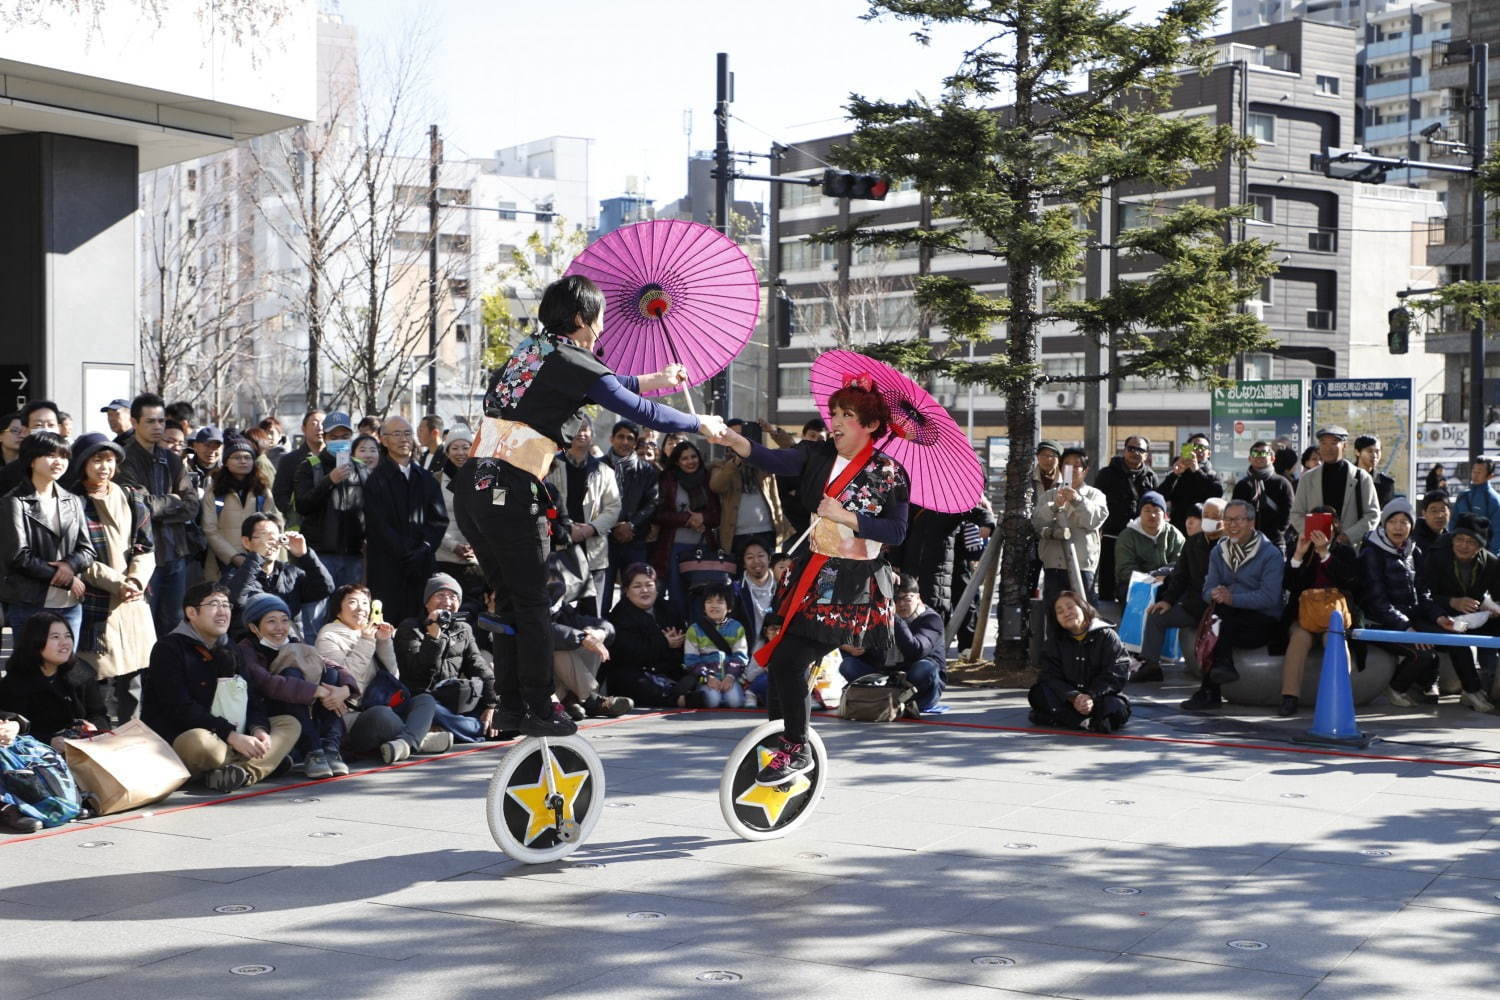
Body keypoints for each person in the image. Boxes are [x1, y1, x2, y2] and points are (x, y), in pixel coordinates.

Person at [452, 275, 724, 737]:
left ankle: (514, 705)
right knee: (534, 604)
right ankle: (539, 705)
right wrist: (699, 421)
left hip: (474, 490)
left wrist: (652, 379)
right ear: (582, 319)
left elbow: (596, 383)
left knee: (510, 605)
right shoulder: (571, 359)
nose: (600, 328)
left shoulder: (531, 351)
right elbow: (643, 413)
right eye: (597, 319)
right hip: (510, 492)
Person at [709, 374, 909, 785]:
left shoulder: (890, 472)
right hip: (810, 574)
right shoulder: (814, 454)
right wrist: (733, 440)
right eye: (833, 413)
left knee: (789, 661)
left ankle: (795, 747)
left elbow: (897, 532)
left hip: (852, 585)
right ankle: (780, 744)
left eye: (846, 415)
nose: (834, 421)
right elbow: (771, 459)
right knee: (784, 663)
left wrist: (847, 517)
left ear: (870, 425)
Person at [141, 582, 300, 792]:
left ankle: (240, 774)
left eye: (226, 605)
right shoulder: (169, 648)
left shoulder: (232, 647)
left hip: (235, 732)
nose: (223, 611)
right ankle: (262, 764)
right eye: (214, 604)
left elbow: (250, 697)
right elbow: (179, 708)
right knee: (200, 743)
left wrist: (258, 728)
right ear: (192, 612)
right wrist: (231, 736)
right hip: (191, 735)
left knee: (289, 724)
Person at [66, 433, 155, 725]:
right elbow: (77, 557)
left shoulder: (131, 495)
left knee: (133, 681)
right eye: (96, 459)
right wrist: (119, 583)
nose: (104, 467)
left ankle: (133, 737)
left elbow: (146, 546)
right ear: (82, 464)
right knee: (91, 680)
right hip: (95, 600)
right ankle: (97, 738)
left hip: (132, 600)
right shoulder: (72, 501)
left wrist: (136, 581)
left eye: (109, 459)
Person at [316, 583, 443, 764]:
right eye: (353, 602)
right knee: (382, 715)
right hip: (356, 717)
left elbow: (393, 678)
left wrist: (384, 643)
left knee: (425, 700)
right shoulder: (329, 635)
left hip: (386, 703)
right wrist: (367, 641)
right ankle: (419, 739)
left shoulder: (368, 631)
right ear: (338, 610)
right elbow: (344, 679)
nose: (361, 608)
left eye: (365, 603)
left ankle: (406, 742)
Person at [237, 593, 360, 779]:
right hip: (271, 713)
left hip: (305, 707)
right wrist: (316, 691)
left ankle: (330, 748)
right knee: (291, 675)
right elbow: (268, 684)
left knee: (332, 675)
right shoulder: (246, 650)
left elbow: (330, 664)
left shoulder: (294, 643)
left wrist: (345, 690)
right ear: (254, 627)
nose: (280, 628)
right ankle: (313, 751)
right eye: (271, 621)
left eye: (284, 621)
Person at [1178, 499, 1284, 711]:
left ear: (1251, 523)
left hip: (1262, 621)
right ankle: (1221, 668)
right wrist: (1216, 594)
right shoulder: (1219, 551)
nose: (1232, 525)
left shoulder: (1270, 554)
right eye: (1227, 520)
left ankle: (1209, 690)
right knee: (1221, 614)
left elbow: (1270, 598)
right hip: (1229, 617)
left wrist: (1232, 597)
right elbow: (1207, 590)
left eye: (1238, 520)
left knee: (1221, 619)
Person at [116, 393, 200, 634]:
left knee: (173, 624)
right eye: (150, 421)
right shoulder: (123, 458)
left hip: (176, 551)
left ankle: (167, 672)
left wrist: (159, 506)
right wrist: (173, 500)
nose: (157, 427)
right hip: (141, 555)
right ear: (134, 422)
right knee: (143, 625)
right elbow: (136, 506)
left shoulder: (173, 460)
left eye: (161, 421)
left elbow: (191, 506)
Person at [0, 431, 94, 643]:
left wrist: (70, 565)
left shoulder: (73, 500)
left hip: (70, 604)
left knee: (65, 668)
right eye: (51, 456)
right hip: (30, 603)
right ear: (31, 460)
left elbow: (87, 549)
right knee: (31, 670)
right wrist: (64, 578)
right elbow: (18, 556)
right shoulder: (14, 502)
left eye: (63, 456)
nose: (59, 462)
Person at [363, 415, 449, 626]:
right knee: (388, 625)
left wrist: (425, 547)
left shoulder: (425, 478)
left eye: (408, 433)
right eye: (397, 434)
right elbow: (377, 524)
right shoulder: (375, 479)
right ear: (384, 440)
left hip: (422, 564)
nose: (404, 439)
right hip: (387, 566)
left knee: (422, 623)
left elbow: (438, 520)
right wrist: (405, 550)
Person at [1358, 498, 1443, 708]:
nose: (1398, 527)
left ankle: (1429, 684)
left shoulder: (1414, 552)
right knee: (1423, 653)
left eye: (1404, 522)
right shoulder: (1370, 552)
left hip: (1408, 618)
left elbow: (1423, 593)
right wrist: (1406, 627)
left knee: (1445, 637)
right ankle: (1396, 688)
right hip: (1377, 622)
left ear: (1412, 526)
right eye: (1393, 521)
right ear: (1384, 524)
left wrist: (1439, 616)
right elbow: (1377, 601)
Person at [1277, 506, 1361, 717]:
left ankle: (1340, 694)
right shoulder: (1299, 548)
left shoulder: (1345, 551)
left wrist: (1325, 553)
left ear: (1335, 525)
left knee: (1333, 641)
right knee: (1299, 638)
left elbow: (1350, 580)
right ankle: (1289, 697)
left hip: (1334, 616)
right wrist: (1298, 554)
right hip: (1303, 616)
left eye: (1326, 522)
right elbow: (1289, 584)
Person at [1135, 497, 1227, 682]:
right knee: (1157, 616)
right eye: (1206, 515)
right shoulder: (1192, 542)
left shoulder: (1231, 544)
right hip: (1193, 605)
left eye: (1215, 516)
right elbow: (1180, 576)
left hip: (1222, 608)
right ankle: (1151, 665)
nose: (1209, 519)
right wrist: (1168, 601)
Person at [394, 574, 497, 737]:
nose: (447, 602)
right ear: (427, 602)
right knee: (430, 709)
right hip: (422, 700)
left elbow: (479, 667)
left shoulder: (462, 629)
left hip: (454, 700)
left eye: (453, 596)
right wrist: (434, 637)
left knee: (503, 716)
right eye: (440, 595)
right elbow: (418, 673)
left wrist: (492, 705)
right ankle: (475, 729)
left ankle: (446, 731)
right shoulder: (410, 627)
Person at [545, 416, 622, 616]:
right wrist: (567, 528)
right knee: (556, 609)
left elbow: (613, 508)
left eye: (586, 428)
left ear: (592, 435)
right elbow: (547, 504)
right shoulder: (551, 466)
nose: (581, 433)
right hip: (559, 545)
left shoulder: (604, 470)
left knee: (593, 611)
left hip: (594, 548)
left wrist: (591, 528)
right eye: (576, 428)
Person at [1421, 514, 1499, 712]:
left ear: (1481, 546)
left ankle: (1489, 683)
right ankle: (1472, 689)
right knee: (1455, 635)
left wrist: (1491, 606)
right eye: (1459, 539)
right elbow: (1422, 595)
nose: (1463, 546)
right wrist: (1451, 602)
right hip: (1437, 615)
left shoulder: (1492, 563)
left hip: (1473, 617)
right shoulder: (1436, 556)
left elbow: (1497, 597)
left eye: (1471, 542)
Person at [839, 573, 946, 714]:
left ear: (918, 598)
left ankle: (904, 703)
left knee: (924, 668)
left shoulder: (931, 619)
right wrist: (849, 647)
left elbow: (916, 650)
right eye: (896, 599)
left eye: (907, 599)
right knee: (848, 665)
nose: (901, 604)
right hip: (887, 678)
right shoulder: (878, 615)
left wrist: (893, 618)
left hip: (917, 684)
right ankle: (888, 700)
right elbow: (865, 651)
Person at [0, 612, 109, 747]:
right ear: (36, 641)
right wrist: (49, 741)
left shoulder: (80, 672)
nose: (64, 643)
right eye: (55, 637)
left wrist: (94, 727)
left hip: (82, 749)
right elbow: (15, 731)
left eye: (67, 636)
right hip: (36, 758)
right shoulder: (15, 683)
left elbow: (99, 714)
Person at [1027, 591, 1131, 732]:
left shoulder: (1107, 636)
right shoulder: (1054, 642)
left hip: (1099, 697)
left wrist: (1091, 695)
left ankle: (1065, 719)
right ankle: (1086, 723)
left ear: (1083, 607)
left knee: (1116, 707)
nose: (1067, 613)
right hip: (1068, 700)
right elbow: (1049, 676)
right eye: (1060, 611)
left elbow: (1117, 672)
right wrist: (1074, 696)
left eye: (1070, 607)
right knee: (1038, 694)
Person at [221, 513, 334, 636]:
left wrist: (305, 555)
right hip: (250, 647)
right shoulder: (233, 575)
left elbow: (325, 588)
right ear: (246, 542)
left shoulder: (291, 574)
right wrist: (258, 558)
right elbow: (234, 600)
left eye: (274, 536)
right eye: (263, 536)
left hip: (290, 644)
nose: (270, 542)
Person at [293, 410, 368, 593]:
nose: (340, 440)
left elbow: (371, 508)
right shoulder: (309, 466)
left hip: (352, 553)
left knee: (349, 607)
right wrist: (329, 480)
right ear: (325, 438)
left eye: (345, 436)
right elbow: (302, 505)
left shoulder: (361, 468)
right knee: (318, 607)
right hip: (320, 553)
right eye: (334, 436)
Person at [544, 568, 632, 720]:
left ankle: (574, 699)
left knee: (594, 636)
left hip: (563, 683)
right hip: (542, 684)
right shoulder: (527, 611)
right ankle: (592, 700)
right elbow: (547, 632)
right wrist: (583, 638)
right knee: (560, 648)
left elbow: (605, 626)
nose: (553, 595)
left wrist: (599, 633)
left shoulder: (563, 611)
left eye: (557, 590)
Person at [1032, 447, 1109, 612]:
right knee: (1054, 616)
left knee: (1084, 614)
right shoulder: (1050, 495)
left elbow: (1093, 520)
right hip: (1053, 565)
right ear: (1060, 468)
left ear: (1085, 470)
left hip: (1082, 566)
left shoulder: (1095, 495)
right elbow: (1037, 523)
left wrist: (1077, 500)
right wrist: (1054, 506)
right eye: (1067, 464)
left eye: (1077, 466)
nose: (1072, 469)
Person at [651, 440, 721, 617]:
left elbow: (718, 514)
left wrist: (702, 518)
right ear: (676, 461)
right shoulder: (668, 479)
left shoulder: (708, 478)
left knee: (702, 596)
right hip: (674, 548)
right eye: (685, 458)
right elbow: (658, 514)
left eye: (693, 457)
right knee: (677, 597)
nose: (690, 461)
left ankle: (700, 635)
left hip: (704, 547)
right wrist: (687, 519)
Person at [605, 564, 688, 708]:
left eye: (649, 585)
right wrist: (664, 643)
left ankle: (679, 693)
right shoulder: (619, 616)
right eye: (637, 586)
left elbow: (681, 644)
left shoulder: (668, 609)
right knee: (631, 681)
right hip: (635, 672)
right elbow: (631, 652)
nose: (644, 590)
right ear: (626, 591)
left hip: (666, 670)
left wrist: (677, 643)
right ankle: (678, 699)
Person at [200, 436, 280, 582]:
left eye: (247, 457)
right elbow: (210, 529)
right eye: (236, 457)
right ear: (226, 462)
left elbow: (273, 524)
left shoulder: (262, 491)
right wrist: (234, 557)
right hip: (221, 564)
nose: (243, 461)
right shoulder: (215, 491)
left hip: (257, 562)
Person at [601, 420, 659, 613]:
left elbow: (653, 502)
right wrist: (612, 526)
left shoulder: (647, 470)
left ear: (636, 443)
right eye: (620, 437)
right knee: (603, 592)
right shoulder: (598, 467)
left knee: (637, 589)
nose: (624, 442)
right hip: (604, 539)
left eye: (630, 438)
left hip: (635, 539)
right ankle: (602, 631)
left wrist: (631, 525)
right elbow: (592, 502)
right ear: (611, 439)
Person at [1289, 426, 1379, 546]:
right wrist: (1315, 534)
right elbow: (1296, 514)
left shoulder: (1361, 477)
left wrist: (1348, 536)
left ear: (1344, 446)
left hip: (1350, 550)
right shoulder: (1308, 478)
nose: (1328, 448)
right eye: (1323, 443)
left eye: (1333, 443)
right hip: (1315, 550)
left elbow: (1372, 514)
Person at [1093, 435, 1157, 602]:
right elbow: (1096, 504)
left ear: (1146, 454)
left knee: (1136, 580)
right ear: (1124, 450)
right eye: (1131, 448)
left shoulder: (1151, 476)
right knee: (1107, 580)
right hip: (1111, 536)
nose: (1135, 453)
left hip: (1140, 537)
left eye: (1140, 450)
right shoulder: (1106, 474)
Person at [711, 420, 786, 558]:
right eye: (733, 435)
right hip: (736, 535)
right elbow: (716, 486)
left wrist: (772, 430)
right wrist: (737, 460)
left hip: (768, 532)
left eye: (742, 435)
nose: (738, 439)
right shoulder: (721, 465)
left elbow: (791, 449)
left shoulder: (763, 459)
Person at [431, 428, 485, 603]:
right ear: (446, 452)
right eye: (454, 448)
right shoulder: (435, 480)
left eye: (465, 447)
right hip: (444, 557)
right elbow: (431, 520)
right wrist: (453, 546)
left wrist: (475, 546)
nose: (460, 453)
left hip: (476, 559)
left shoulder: (484, 480)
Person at [683, 582, 751, 708]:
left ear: (729, 607)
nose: (714, 606)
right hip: (706, 679)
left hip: (730, 678)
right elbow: (691, 660)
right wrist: (708, 677)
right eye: (709, 602)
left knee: (735, 701)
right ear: (703, 606)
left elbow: (740, 657)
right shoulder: (694, 630)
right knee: (712, 700)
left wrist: (730, 677)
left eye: (719, 602)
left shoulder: (737, 628)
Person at [1112, 491, 1184, 600]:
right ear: (1140, 512)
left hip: (1165, 581)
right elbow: (1124, 569)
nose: (1152, 515)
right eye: (1147, 510)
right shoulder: (1127, 536)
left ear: (1164, 514)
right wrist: (1149, 579)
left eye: (1157, 510)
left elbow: (1180, 564)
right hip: (1135, 583)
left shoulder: (1174, 535)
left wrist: (1166, 577)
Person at [1233, 440, 1295, 554]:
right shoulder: (1242, 485)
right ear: (1249, 459)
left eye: (1264, 453)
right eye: (1255, 453)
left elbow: (1288, 513)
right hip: (1246, 542)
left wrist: (1278, 534)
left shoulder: (1282, 483)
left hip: (1274, 542)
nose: (1259, 457)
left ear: (1272, 458)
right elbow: (1235, 513)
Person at [1159, 433, 1223, 535]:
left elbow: (1215, 496)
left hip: (1203, 530)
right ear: (1188, 449)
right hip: (1178, 528)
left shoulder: (1212, 475)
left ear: (1209, 453)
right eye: (1195, 447)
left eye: (1203, 447)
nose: (1199, 450)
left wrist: (1197, 470)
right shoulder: (1179, 472)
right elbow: (1161, 496)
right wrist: (1174, 475)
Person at [272, 409, 324, 523]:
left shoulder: (334, 458)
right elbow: (280, 494)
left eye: (323, 424)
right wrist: (293, 511)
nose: (320, 428)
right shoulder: (289, 460)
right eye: (314, 423)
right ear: (303, 429)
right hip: (301, 524)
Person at [734, 539, 779, 652]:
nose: (756, 561)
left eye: (761, 556)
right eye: (749, 557)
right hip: (744, 660)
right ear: (743, 563)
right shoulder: (735, 591)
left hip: (776, 659)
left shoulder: (782, 589)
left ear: (769, 558)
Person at [1452, 458, 1500, 555]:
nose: (1475, 475)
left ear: (1490, 476)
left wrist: (1491, 559)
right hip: (1459, 552)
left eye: (1479, 472)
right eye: (1474, 471)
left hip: (1483, 554)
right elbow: (1453, 522)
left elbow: (1497, 532)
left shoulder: (1494, 500)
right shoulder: (1462, 496)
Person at [1354, 435, 1396, 509]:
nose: (1374, 455)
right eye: (1369, 451)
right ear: (1357, 452)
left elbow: (1387, 512)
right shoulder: (1345, 477)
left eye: (1377, 451)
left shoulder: (1386, 483)